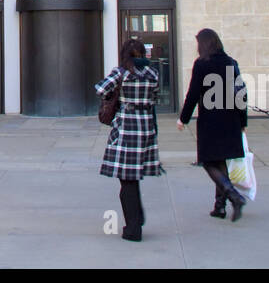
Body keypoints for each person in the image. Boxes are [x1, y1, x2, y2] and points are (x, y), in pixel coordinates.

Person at [177, 27, 249, 221]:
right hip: (231, 119)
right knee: (221, 160)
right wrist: (243, 121)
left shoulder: (202, 64)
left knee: (208, 161)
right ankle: (219, 207)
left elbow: (193, 94)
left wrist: (183, 118)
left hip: (211, 120)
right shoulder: (230, 62)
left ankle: (233, 195)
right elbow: (241, 93)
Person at [95, 38, 163, 241]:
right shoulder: (153, 73)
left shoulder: (122, 72)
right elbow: (155, 96)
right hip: (146, 125)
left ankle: (133, 227)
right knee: (132, 177)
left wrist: (115, 93)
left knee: (126, 179)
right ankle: (137, 218)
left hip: (126, 126)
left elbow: (100, 89)